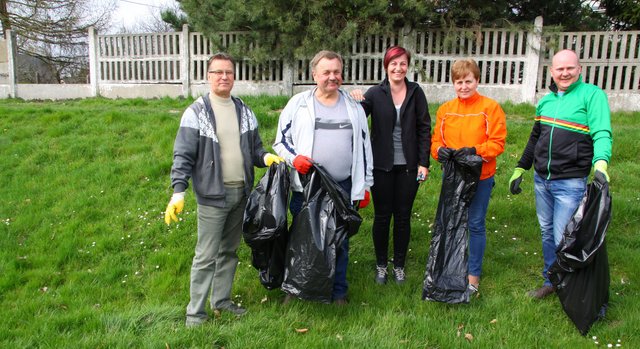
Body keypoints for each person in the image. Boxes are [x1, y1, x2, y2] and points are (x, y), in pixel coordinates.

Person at [164, 52, 282, 326]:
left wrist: (266, 158)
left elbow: (255, 150)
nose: (224, 77)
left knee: (228, 252)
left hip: (240, 193)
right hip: (211, 197)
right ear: (208, 76)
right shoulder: (196, 112)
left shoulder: (245, 111)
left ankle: (222, 302)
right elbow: (183, 155)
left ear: (234, 76)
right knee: (206, 256)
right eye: (218, 72)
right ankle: (195, 314)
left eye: (228, 72)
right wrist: (178, 192)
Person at [509, 49, 612, 299]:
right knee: (546, 232)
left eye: (570, 68)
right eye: (559, 69)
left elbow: (601, 132)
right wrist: (521, 167)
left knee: (564, 237)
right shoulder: (546, 101)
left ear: (579, 69)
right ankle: (551, 280)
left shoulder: (592, 96)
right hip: (542, 180)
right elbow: (536, 137)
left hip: (570, 181)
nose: (564, 73)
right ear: (552, 72)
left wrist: (601, 164)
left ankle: (572, 288)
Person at [273, 50, 374, 305]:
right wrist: (294, 158)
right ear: (314, 74)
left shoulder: (354, 107)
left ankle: (338, 291)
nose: (332, 77)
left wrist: (365, 186)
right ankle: (295, 289)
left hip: (343, 185)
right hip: (306, 186)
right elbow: (281, 141)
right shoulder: (298, 103)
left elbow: (365, 147)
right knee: (302, 239)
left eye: (337, 72)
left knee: (339, 240)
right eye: (326, 72)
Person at [351, 46, 431, 285]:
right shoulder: (375, 93)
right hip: (381, 166)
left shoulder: (416, 92)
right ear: (386, 66)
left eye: (403, 63)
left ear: (408, 66)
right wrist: (355, 99)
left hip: (409, 167)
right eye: (393, 64)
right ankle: (381, 266)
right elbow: (356, 119)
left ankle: (399, 266)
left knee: (403, 216)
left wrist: (423, 163)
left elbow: (424, 128)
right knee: (382, 216)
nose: (398, 68)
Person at [431, 58, 507, 295]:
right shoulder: (445, 110)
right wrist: (438, 152)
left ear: (477, 81)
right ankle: (449, 269)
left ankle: (473, 276)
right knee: (451, 223)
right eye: (459, 82)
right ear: (453, 84)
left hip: (481, 176)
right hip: (453, 177)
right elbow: (436, 142)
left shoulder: (490, 108)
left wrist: (475, 151)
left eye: (468, 81)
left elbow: (497, 143)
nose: (463, 86)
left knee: (474, 223)